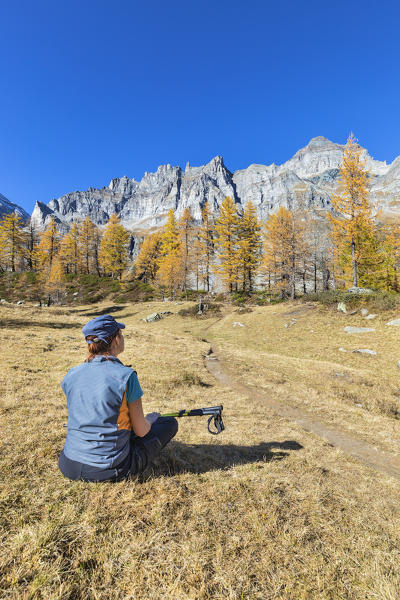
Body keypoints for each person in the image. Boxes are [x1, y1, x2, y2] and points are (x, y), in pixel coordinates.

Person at [58, 314, 178, 482]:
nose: (122, 338)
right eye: (121, 334)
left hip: (68, 464)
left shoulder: (71, 374)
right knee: (169, 423)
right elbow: (141, 430)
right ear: (115, 340)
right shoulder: (126, 376)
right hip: (107, 470)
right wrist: (150, 419)